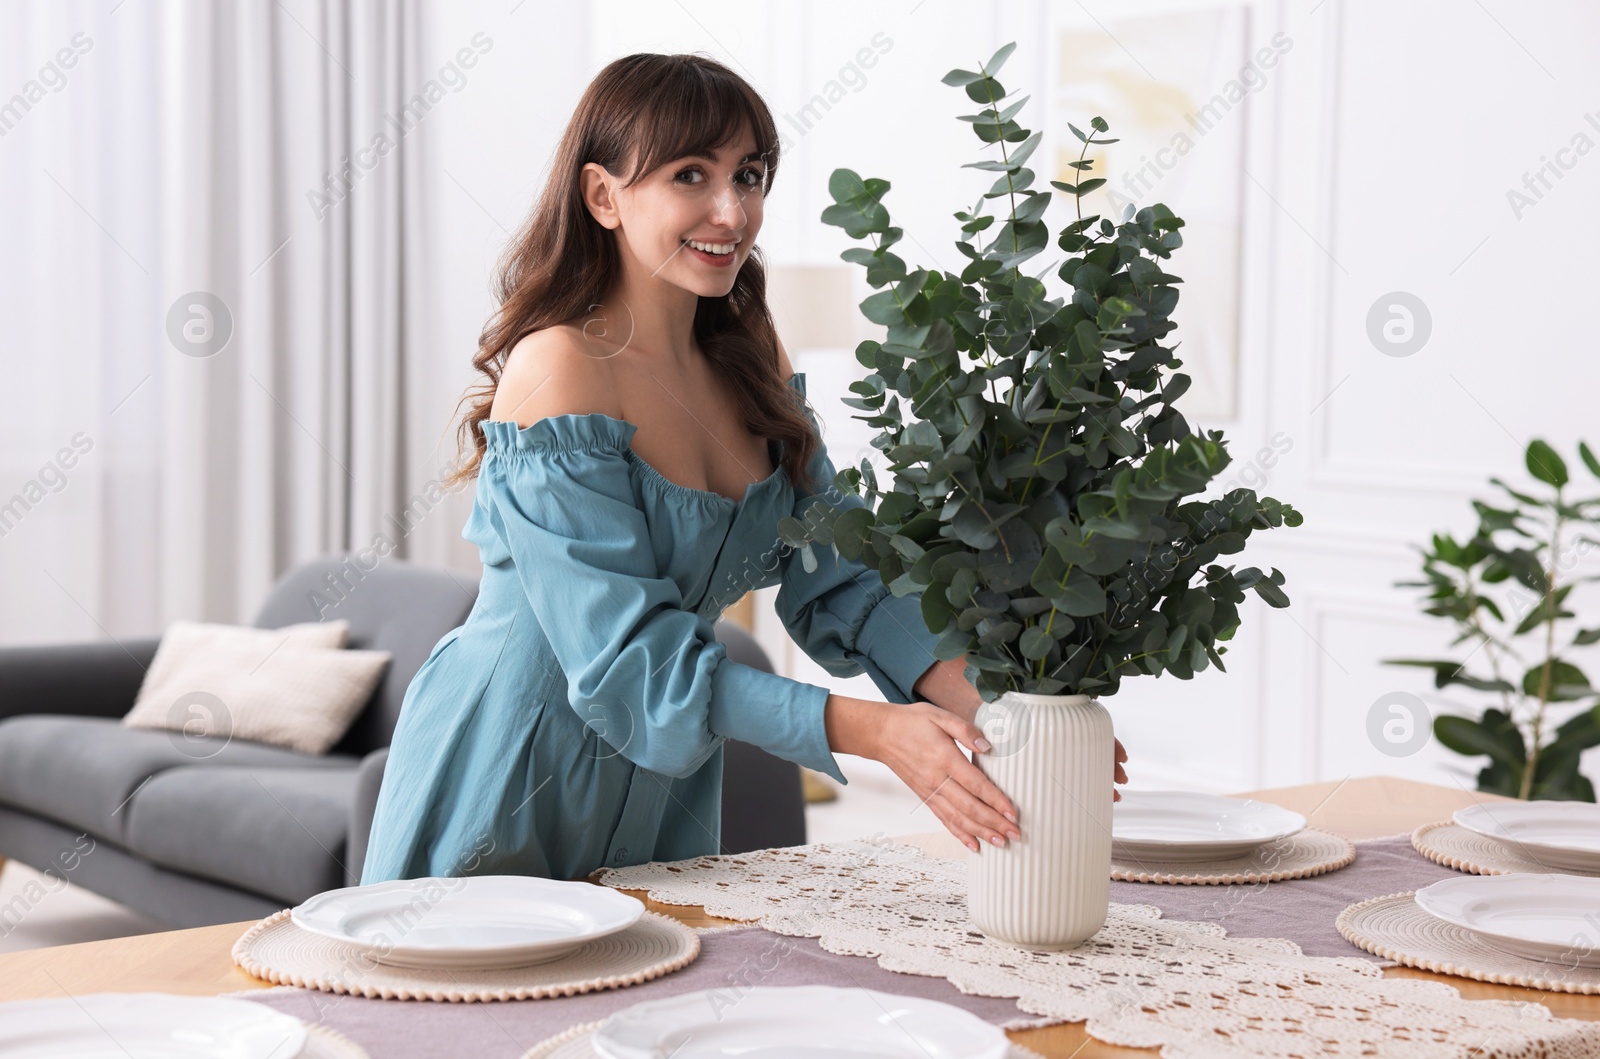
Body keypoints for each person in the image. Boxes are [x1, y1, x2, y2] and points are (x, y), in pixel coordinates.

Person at [361, 52, 1127, 885]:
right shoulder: (559, 367)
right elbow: (629, 659)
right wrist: (876, 731)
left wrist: (1003, 715)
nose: (731, 211)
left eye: (750, 175)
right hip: (507, 767)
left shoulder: (750, 355)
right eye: (691, 174)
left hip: (665, 784)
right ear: (602, 195)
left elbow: (842, 581)